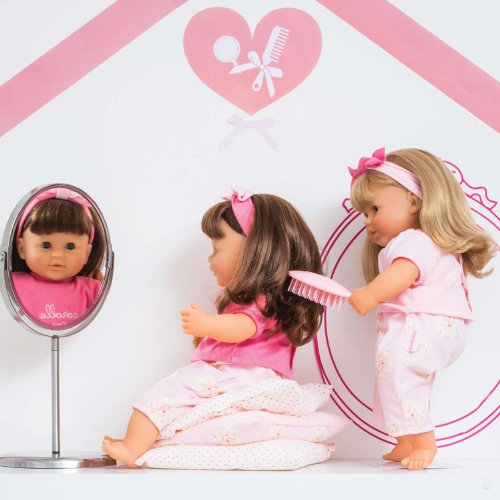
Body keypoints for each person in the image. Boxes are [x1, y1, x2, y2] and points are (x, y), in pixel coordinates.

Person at [102, 188, 325, 467]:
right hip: (249, 375)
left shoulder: (260, 301)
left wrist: (207, 324)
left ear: (254, 252)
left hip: (237, 374)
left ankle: (131, 447)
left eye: (217, 250)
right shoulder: (268, 301)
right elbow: (239, 334)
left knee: (163, 396)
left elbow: (245, 327)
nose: (210, 260)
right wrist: (207, 335)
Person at [347, 148, 497, 471]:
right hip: (432, 323)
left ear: (413, 202)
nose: (368, 222)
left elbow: (404, 273)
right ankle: (405, 439)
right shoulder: (421, 242)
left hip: (426, 322)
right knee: (392, 373)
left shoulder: (414, 241)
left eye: (375, 208)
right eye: (364, 213)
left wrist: (370, 294)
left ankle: (425, 442)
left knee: (401, 372)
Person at [12, 187, 105, 327]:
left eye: (70, 246)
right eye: (46, 245)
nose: (57, 254)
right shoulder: (12, 285)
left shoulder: (92, 290)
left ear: (87, 253)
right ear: (22, 248)